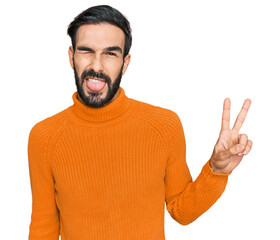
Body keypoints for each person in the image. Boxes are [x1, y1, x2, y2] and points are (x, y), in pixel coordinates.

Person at [27, 5, 253, 240]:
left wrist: (216, 171)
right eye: (86, 51)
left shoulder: (164, 125)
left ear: (125, 63)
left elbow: (182, 212)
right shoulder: (44, 136)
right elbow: (44, 228)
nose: (96, 66)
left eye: (110, 54)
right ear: (71, 56)